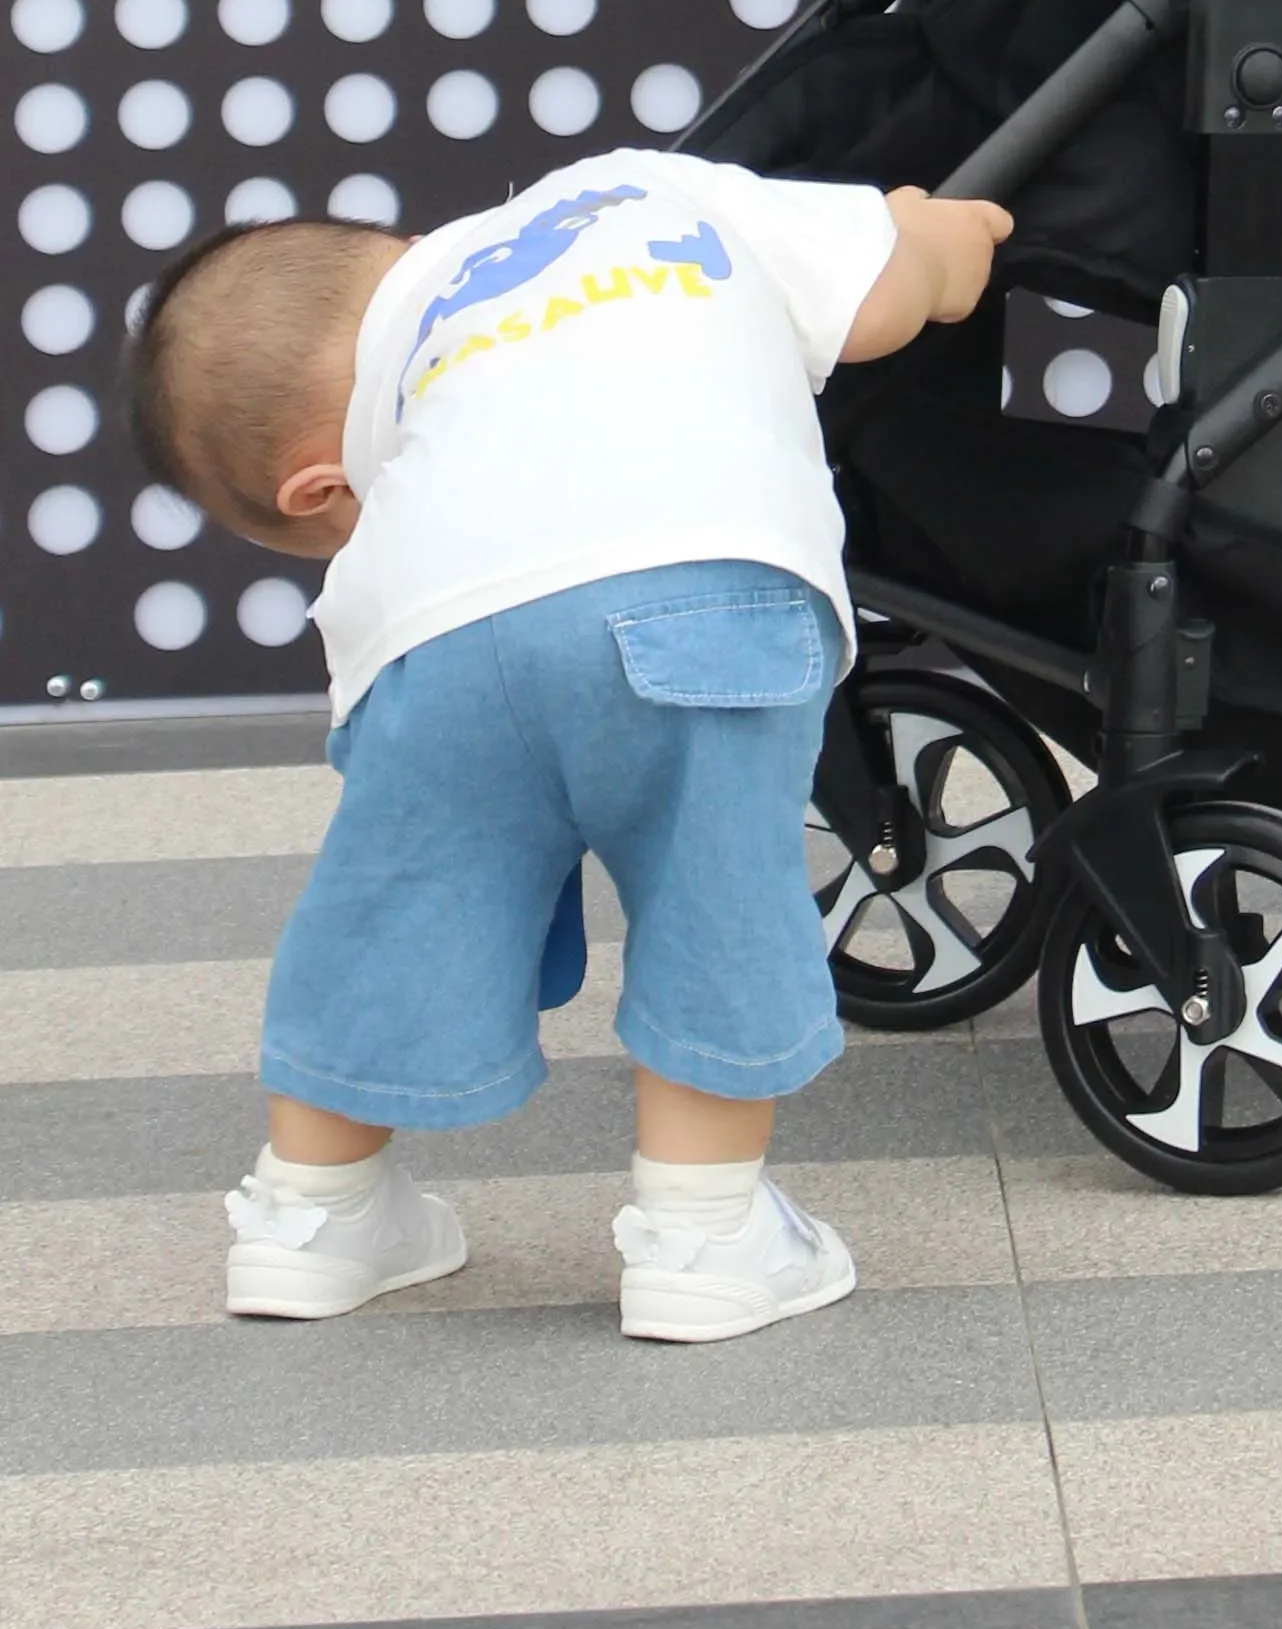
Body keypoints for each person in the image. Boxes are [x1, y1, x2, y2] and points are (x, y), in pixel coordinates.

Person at [124, 153, 1011, 1342]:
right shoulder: (642, 190)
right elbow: (885, 296)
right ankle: (703, 1239)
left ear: (322, 493)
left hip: (435, 639)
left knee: (389, 902)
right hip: (704, 588)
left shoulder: (417, 411)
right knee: (714, 897)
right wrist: (943, 236)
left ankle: (311, 1218)